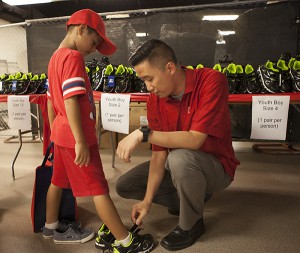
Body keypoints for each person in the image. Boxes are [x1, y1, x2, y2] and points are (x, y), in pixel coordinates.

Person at [44, 9, 154, 252]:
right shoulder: (72, 58)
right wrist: (80, 141)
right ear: (82, 29)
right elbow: (71, 100)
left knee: (57, 181)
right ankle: (125, 241)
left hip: (61, 134)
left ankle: (50, 227)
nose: (93, 49)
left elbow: (51, 100)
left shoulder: (54, 58)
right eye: (94, 42)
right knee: (97, 188)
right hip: (75, 137)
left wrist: (55, 132)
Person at [115, 39, 240, 251]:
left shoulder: (211, 81)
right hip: (179, 166)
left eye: (150, 79)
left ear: (170, 68)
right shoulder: (155, 100)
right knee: (125, 185)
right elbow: (158, 156)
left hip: (216, 167)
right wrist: (146, 201)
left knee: (180, 157)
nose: (148, 87)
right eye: (143, 81)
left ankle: (191, 224)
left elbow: (194, 140)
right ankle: (191, 195)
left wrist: (143, 134)